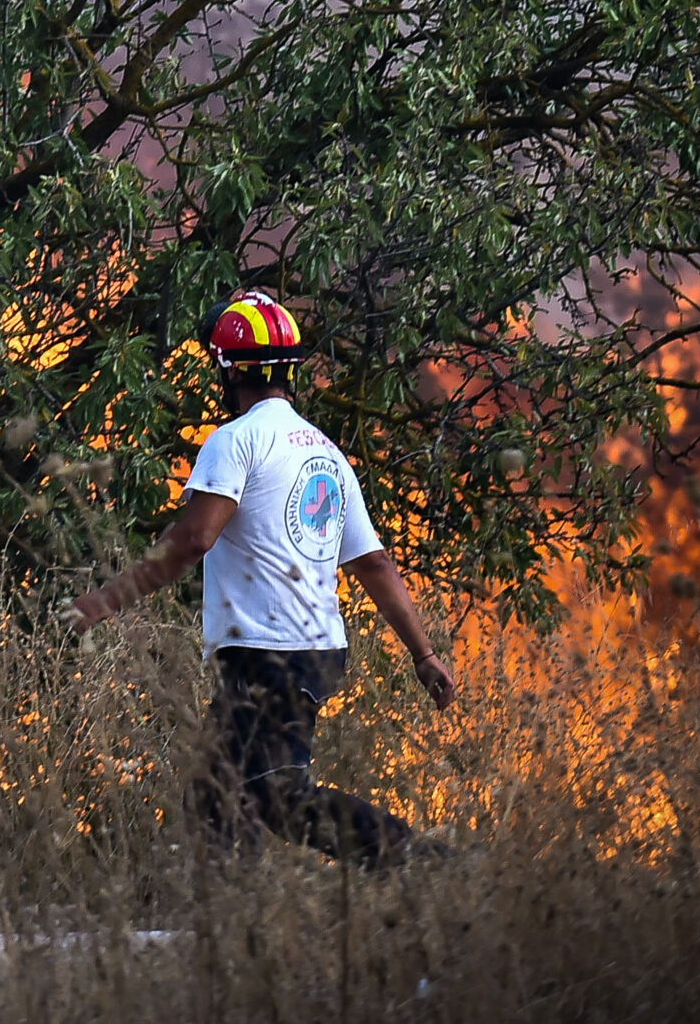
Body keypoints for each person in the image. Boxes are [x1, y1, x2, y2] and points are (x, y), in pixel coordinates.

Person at [62, 291, 455, 869]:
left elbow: (195, 539)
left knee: (277, 796)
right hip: (316, 649)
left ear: (227, 371)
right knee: (218, 797)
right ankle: (232, 930)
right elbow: (373, 563)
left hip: (266, 652)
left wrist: (105, 599)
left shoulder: (235, 441)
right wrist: (423, 653)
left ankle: (420, 861)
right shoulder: (327, 453)